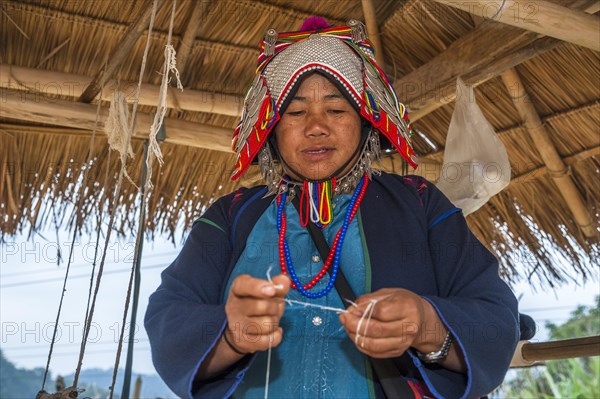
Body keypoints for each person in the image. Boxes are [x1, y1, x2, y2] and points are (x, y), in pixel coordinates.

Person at [145, 18, 520, 399]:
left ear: (367, 122)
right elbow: (167, 320)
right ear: (271, 129)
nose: (316, 127)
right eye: (295, 112)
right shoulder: (232, 215)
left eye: (337, 110)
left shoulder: (420, 204)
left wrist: (426, 326)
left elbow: (496, 318)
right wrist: (229, 334)